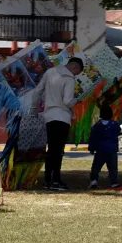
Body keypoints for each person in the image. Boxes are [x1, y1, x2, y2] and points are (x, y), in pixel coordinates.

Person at [30, 57, 84, 190]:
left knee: (51, 149)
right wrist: (76, 100)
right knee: (58, 150)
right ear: (74, 68)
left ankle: (47, 180)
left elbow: (37, 92)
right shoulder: (69, 78)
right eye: (76, 73)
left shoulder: (50, 72)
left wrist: (34, 109)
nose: (75, 75)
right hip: (63, 117)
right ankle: (56, 180)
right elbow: (67, 101)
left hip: (49, 116)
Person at [88, 104, 121, 188]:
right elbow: (118, 132)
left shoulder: (97, 126)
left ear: (101, 114)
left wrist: (91, 148)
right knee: (113, 168)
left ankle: (94, 181)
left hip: (100, 150)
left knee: (96, 167)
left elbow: (93, 138)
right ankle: (114, 182)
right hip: (112, 150)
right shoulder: (115, 125)